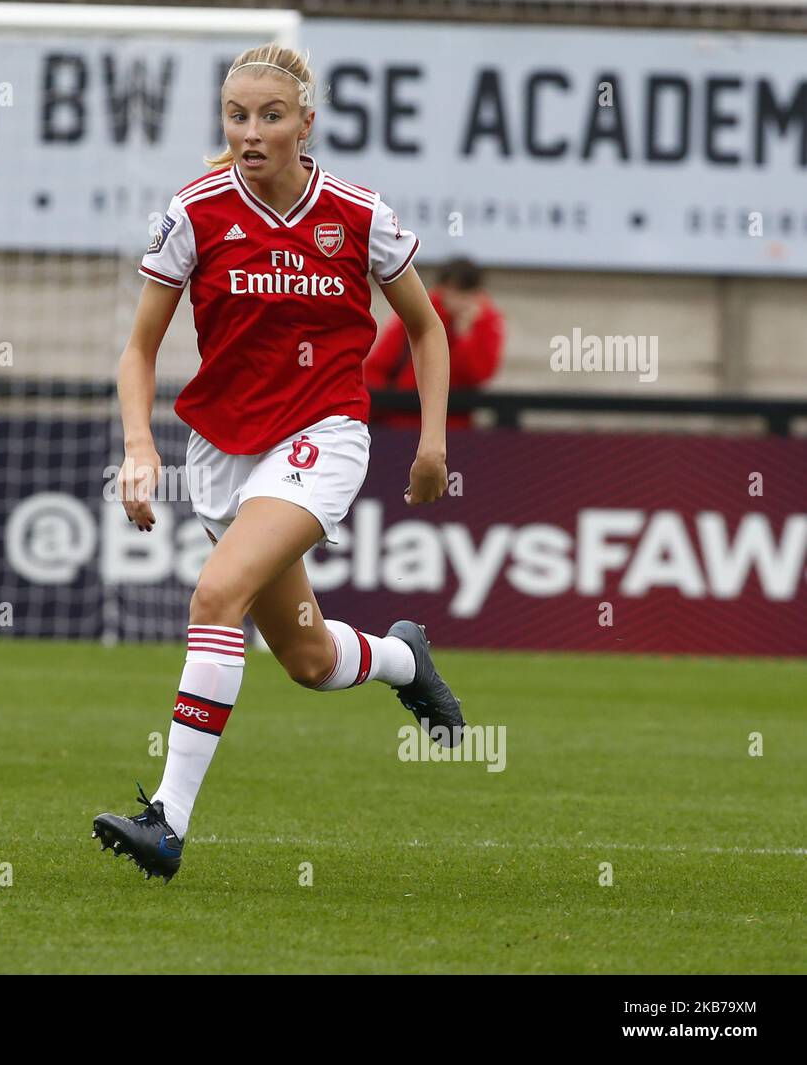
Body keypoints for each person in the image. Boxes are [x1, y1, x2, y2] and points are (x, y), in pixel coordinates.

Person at [92, 44, 465, 884]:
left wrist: (433, 441)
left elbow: (428, 328)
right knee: (307, 660)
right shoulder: (194, 213)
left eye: (268, 116)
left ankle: (168, 821)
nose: (250, 132)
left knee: (216, 593)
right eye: (236, 116)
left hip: (324, 434)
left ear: (306, 122)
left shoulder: (359, 213)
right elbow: (139, 348)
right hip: (223, 451)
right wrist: (140, 445)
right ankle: (405, 658)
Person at [363, 257, 504, 429]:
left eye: (463, 293)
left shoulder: (485, 320)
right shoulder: (420, 309)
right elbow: (376, 366)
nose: (456, 300)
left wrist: (464, 335)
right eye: (451, 290)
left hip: (454, 425)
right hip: (399, 420)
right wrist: (384, 406)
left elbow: (478, 374)